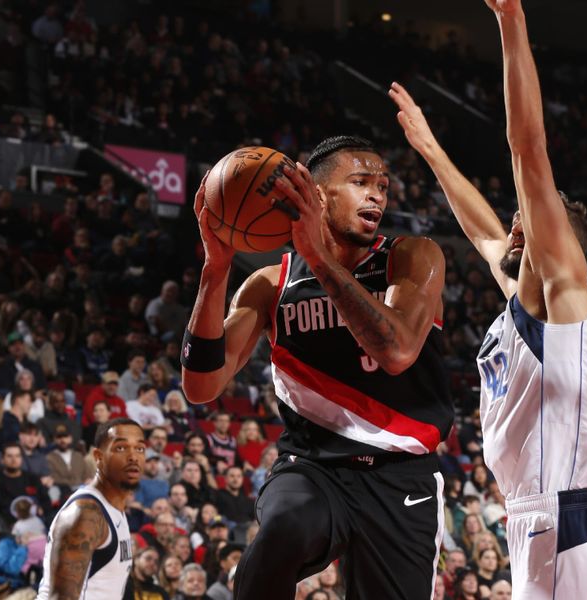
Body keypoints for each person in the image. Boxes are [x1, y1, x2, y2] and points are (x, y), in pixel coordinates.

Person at [388, 1, 587, 596]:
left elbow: (528, 151)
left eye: (528, 223)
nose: (513, 230)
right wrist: (430, 149)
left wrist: (511, 21)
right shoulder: (525, 301)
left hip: (572, 514)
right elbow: (482, 232)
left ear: (561, 243)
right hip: (529, 517)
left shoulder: (564, 289)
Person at [182, 134, 451, 599]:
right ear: (317, 194)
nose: (377, 195)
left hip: (401, 475)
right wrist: (216, 268)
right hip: (313, 468)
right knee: (283, 530)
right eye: (361, 182)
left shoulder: (411, 257)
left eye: (383, 186)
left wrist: (318, 256)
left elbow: (398, 352)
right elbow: (202, 385)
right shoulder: (271, 284)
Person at [37, 418, 146, 600]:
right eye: (120, 448)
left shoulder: (115, 507)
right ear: (98, 457)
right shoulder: (86, 513)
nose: (133, 457)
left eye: (140, 448)